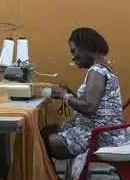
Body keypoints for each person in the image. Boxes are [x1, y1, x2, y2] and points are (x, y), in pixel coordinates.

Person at [41, 28, 125, 159]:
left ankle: (47, 178)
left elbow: (89, 108)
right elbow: (91, 104)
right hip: (100, 128)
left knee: (41, 142)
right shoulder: (101, 67)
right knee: (45, 131)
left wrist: (64, 95)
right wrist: (68, 93)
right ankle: (50, 177)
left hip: (102, 134)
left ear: (86, 47)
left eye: (74, 51)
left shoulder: (97, 71)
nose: (73, 57)